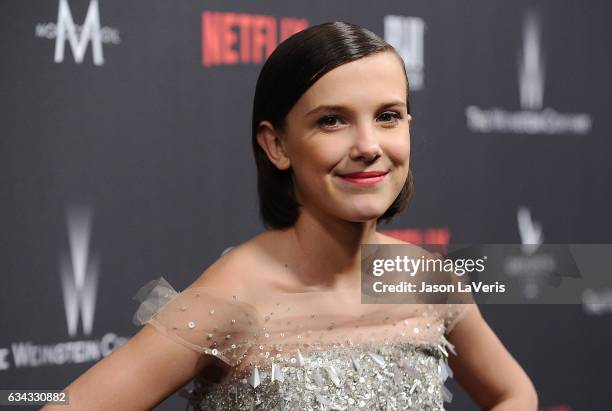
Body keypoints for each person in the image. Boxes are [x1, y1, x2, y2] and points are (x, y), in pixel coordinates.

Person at [43, 21, 537, 410]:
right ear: (276, 144)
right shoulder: (232, 298)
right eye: (332, 121)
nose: (368, 146)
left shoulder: (425, 279)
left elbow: (515, 395)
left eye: (387, 116)